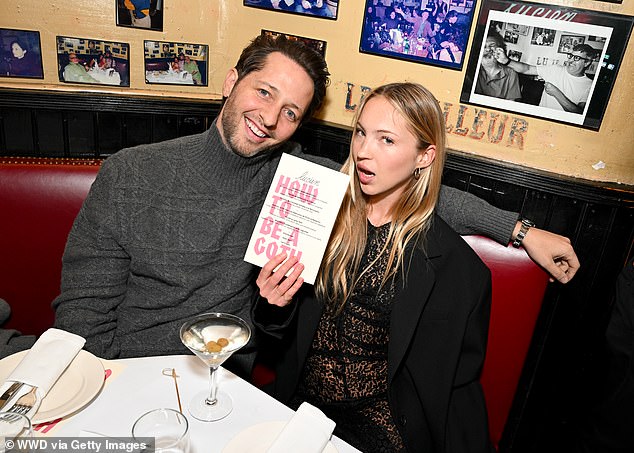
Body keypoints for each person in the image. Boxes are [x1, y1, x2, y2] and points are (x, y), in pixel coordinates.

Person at [51, 34, 578, 376]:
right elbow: (82, 317)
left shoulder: (296, 178)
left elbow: (410, 191)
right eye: (262, 93)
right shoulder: (132, 172)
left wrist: (521, 228)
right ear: (231, 83)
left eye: (290, 112)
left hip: (225, 379)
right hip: (124, 373)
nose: (270, 118)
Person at [253, 82, 493, 452]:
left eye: (387, 140)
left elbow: (456, 385)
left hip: (380, 427)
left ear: (424, 157)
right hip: (300, 409)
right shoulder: (319, 213)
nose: (364, 151)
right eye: (361, 133)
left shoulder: (458, 269)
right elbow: (276, 335)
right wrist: (274, 303)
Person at [496, 43, 595, 113]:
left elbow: (579, 113)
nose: (570, 61)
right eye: (570, 56)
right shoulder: (555, 69)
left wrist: (556, 93)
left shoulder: (589, 85)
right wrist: (506, 61)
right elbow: (527, 69)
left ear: (587, 62)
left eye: (577, 58)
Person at [475, 31, 522, 100]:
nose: (488, 49)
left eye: (492, 45)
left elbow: (511, 102)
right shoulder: (472, 70)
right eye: (484, 46)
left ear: (500, 49)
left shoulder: (511, 73)